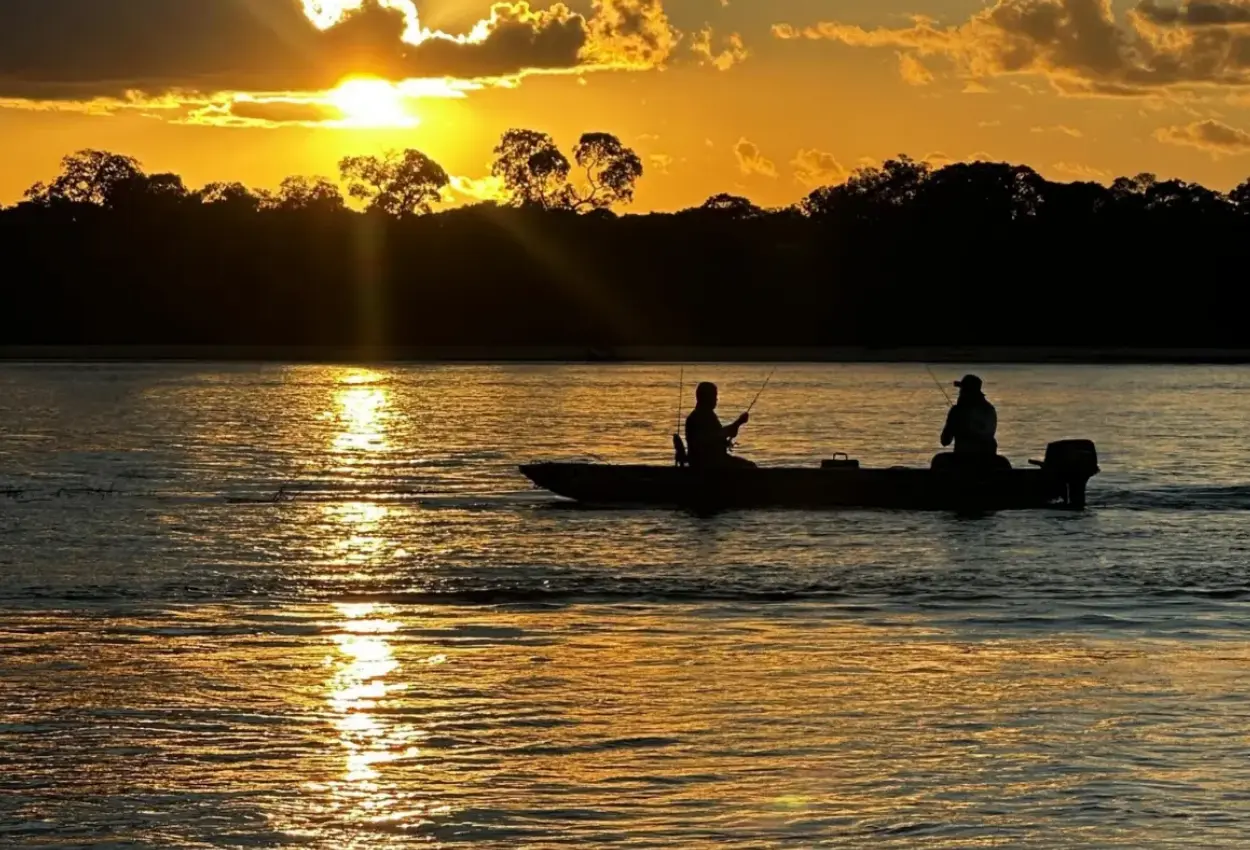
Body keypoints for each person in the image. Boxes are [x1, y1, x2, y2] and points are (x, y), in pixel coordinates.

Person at [684, 382, 756, 468]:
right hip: (709, 463)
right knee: (750, 466)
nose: (716, 399)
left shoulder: (706, 415)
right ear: (706, 397)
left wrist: (737, 424)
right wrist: (737, 423)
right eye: (714, 396)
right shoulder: (699, 417)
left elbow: (716, 436)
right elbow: (712, 437)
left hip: (712, 460)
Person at [940, 374, 998, 455]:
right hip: (988, 458)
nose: (960, 392)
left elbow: (945, 441)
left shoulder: (957, 411)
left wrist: (953, 418)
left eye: (962, 390)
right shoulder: (990, 409)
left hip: (964, 458)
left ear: (966, 392)